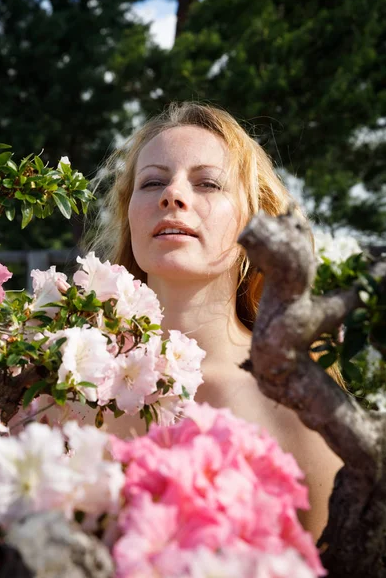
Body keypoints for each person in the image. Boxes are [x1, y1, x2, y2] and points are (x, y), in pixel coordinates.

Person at [92, 101, 343, 541]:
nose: (172, 195)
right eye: (151, 182)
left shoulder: (300, 403)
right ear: (128, 216)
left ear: (255, 222)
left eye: (207, 183)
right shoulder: (64, 380)